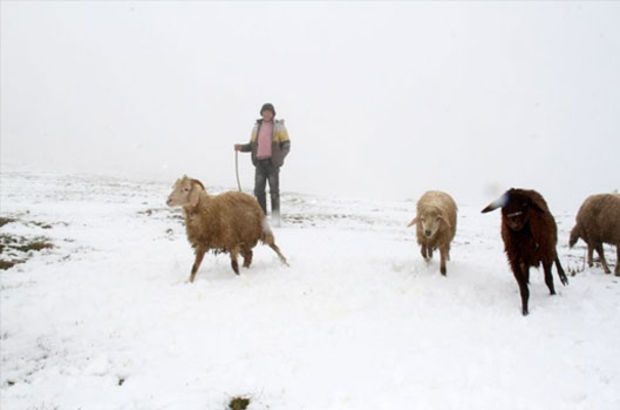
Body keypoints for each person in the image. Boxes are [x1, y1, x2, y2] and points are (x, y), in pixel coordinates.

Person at [234, 103, 291, 225]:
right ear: (262, 113)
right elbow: (252, 145)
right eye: (265, 111)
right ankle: (262, 219)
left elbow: (286, 145)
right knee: (259, 191)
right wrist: (241, 147)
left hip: (272, 163)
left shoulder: (279, 126)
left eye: (269, 112)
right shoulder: (256, 127)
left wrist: (278, 159)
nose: (267, 114)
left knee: (274, 191)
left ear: (273, 114)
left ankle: (276, 220)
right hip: (259, 162)